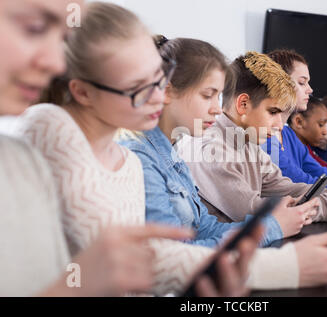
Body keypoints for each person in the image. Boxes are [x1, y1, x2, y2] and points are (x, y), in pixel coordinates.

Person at [9, 1, 260, 297]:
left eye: (159, 80)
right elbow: (150, 262)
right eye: (141, 86)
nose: (158, 98)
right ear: (83, 92)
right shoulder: (50, 125)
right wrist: (282, 259)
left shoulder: (127, 160)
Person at [120, 36, 318, 247]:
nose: (217, 108)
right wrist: (272, 227)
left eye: (218, 96)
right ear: (167, 92)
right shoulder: (140, 159)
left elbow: (204, 228)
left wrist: (271, 223)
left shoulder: (172, 155)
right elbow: (172, 256)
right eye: (207, 95)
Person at [176, 50, 327, 227]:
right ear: (243, 105)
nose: (280, 125)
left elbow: (284, 187)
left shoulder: (247, 142)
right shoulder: (210, 149)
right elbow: (258, 213)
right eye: (273, 112)